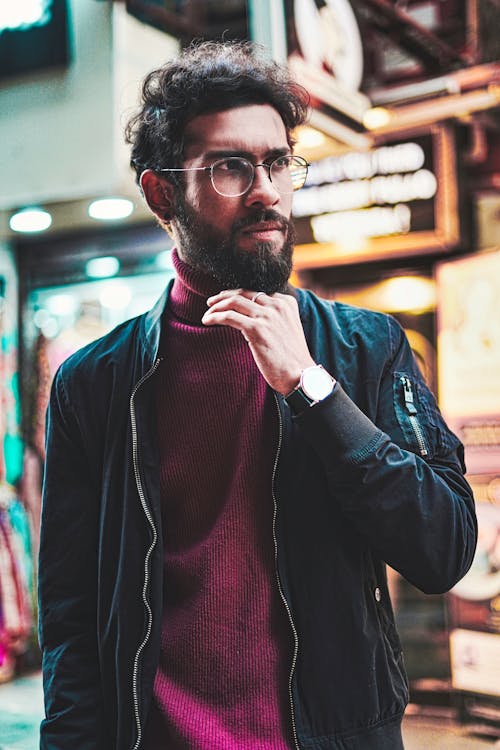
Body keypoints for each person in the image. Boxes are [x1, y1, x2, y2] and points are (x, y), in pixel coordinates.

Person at [38, 40, 477, 750]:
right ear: (160, 193)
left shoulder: (364, 348)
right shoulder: (96, 381)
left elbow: (444, 547)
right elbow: (70, 615)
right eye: (230, 168)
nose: (267, 189)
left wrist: (313, 390)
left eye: (277, 162)